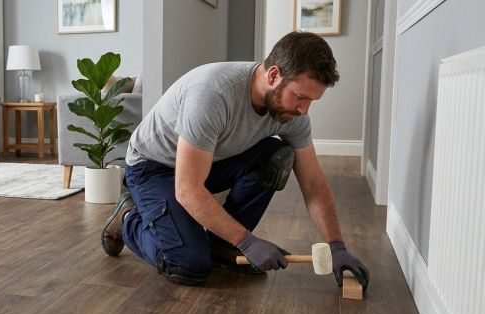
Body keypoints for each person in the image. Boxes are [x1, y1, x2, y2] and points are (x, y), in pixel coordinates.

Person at [100, 31, 370, 289]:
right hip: (153, 167)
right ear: (274, 75)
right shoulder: (212, 94)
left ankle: (222, 245)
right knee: (188, 265)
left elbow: (313, 183)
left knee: (276, 157)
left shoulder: (294, 114)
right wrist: (247, 241)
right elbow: (187, 189)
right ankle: (127, 218)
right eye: (300, 97)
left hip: (205, 164)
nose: (304, 109)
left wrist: (337, 246)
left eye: (311, 101)